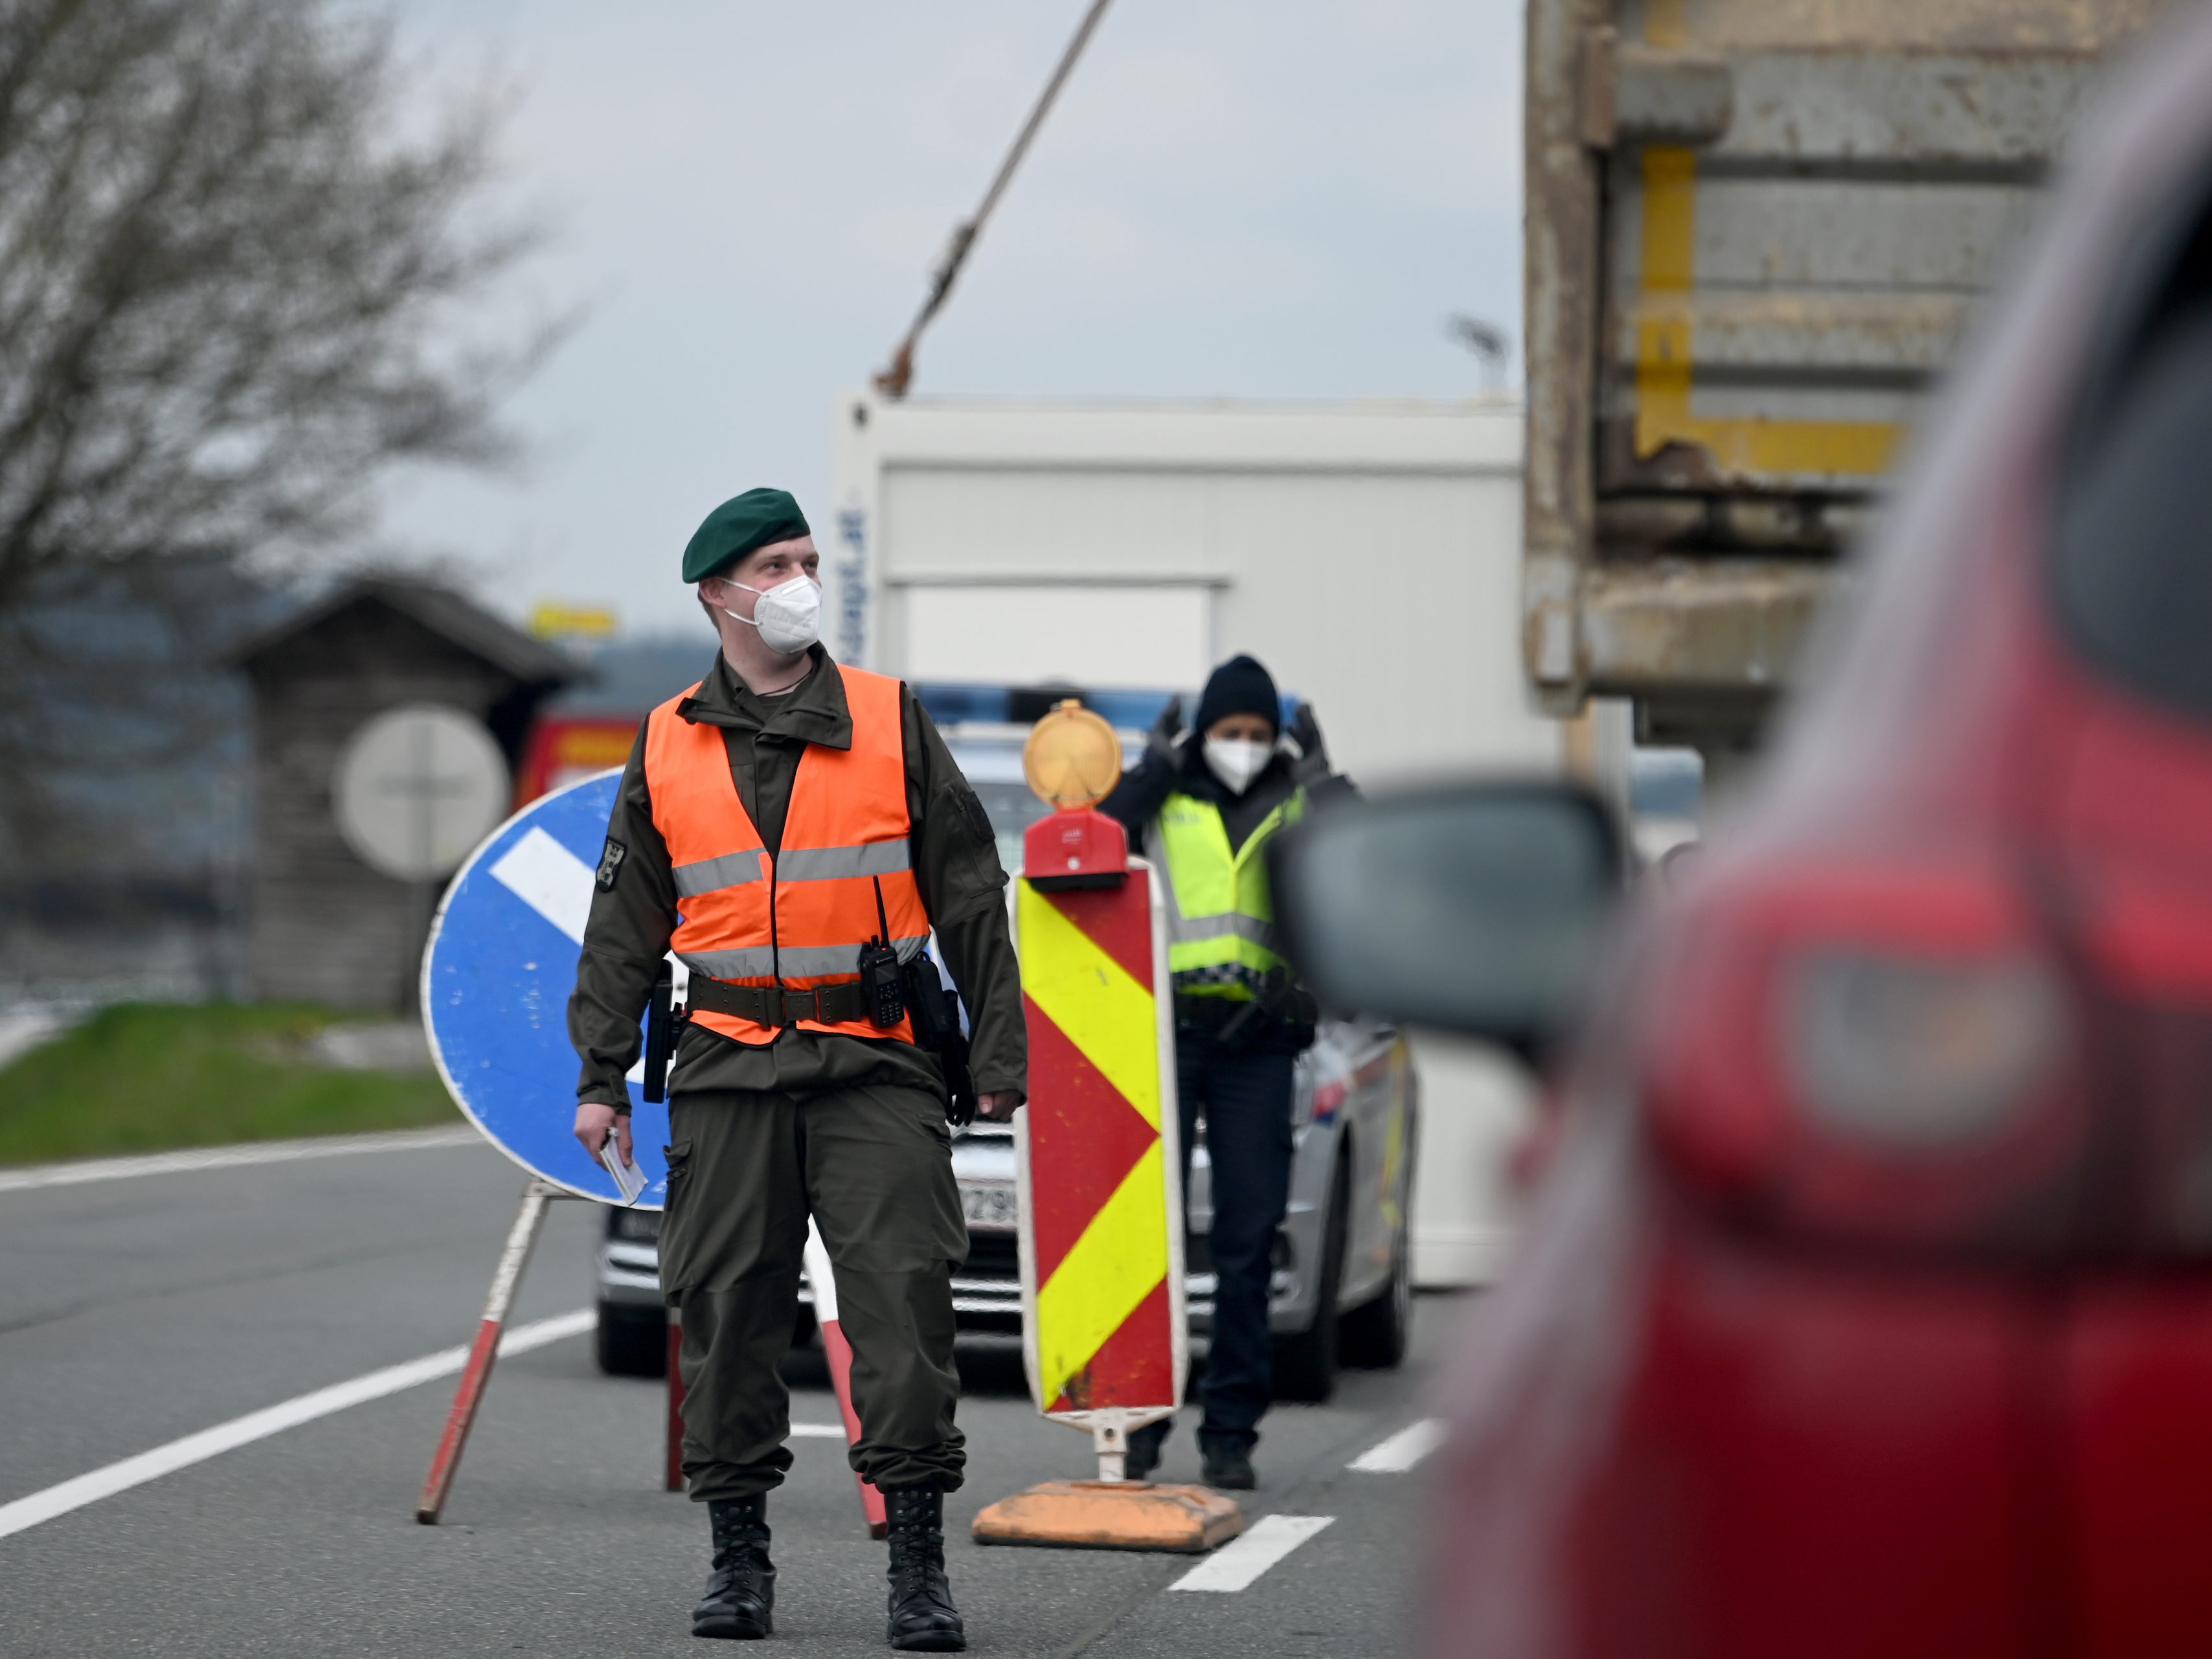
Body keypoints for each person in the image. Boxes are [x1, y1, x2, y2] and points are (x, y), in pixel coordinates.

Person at [567, 488, 1026, 1651]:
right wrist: (600, 1073)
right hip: (725, 1063)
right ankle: (737, 1564)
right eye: (775, 564)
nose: (798, 581)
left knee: (907, 1306)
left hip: (874, 1062)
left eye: (808, 559)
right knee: (723, 1311)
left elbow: (971, 889)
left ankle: (918, 1566)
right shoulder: (668, 735)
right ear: (719, 593)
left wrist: (998, 1053)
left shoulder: (887, 716)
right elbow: (624, 918)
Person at [1097, 653, 1349, 1490]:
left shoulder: (1301, 796)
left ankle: (1230, 1431)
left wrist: (1323, 773)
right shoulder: (1168, 795)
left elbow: (1364, 855)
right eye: (1227, 731)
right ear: (1202, 732)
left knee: (1245, 1240)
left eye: (1256, 734)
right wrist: (1153, 767)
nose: (1242, 745)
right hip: (1167, 1035)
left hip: (1262, 1041)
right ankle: (1139, 1419)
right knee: (1148, 1234)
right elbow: (1097, 842)